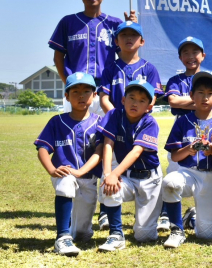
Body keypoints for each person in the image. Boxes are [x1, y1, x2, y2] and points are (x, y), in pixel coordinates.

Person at [163, 37, 212, 231]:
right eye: (186, 53)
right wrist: (199, 102)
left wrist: (196, 101)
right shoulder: (176, 79)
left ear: (203, 55)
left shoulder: (211, 77)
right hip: (186, 130)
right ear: (180, 56)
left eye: (195, 52)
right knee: (174, 176)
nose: (191, 56)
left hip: (210, 126)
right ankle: (169, 216)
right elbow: (173, 101)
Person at [161, 72, 212, 248]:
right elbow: (175, 156)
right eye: (200, 92)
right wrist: (188, 149)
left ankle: (191, 219)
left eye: (210, 93)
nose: (205, 97)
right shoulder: (182, 121)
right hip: (188, 173)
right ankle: (177, 230)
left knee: (206, 235)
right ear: (191, 95)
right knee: (170, 182)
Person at [34, 72, 102, 256]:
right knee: (66, 181)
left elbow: (100, 152)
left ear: (94, 95)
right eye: (75, 92)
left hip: (88, 179)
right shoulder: (57, 121)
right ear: (66, 96)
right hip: (64, 174)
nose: (81, 96)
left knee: (82, 234)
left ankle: (74, 230)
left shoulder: (99, 122)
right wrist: (52, 169)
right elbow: (42, 148)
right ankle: (62, 237)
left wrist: (80, 172)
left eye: (86, 91)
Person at [49, 0, 137, 115]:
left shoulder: (115, 23)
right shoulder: (68, 22)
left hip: (106, 88)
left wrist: (131, 30)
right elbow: (58, 58)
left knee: (106, 133)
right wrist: (68, 83)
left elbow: (126, 57)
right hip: (77, 88)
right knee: (76, 132)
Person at [96, 80, 163, 251]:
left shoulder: (150, 122)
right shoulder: (113, 115)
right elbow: (108, 144)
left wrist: (114, 173)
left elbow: (136, 151)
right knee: (108, 187)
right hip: (128, 176)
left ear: (149, 106)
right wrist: (108, 174)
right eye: (132, 97)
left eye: (142, 100)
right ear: (123, 100)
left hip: (150, 179)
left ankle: (168, 216)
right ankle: (116, 235)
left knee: (144, 236)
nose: (135, 103)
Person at [98, 21, 163, 113]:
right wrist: (116, 118)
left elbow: (152, 98)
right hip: (115, 121)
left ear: (142, 42)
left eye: (134, 34)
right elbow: (104, 100)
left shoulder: (149, 68)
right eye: (123, 35)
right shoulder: (110, 69)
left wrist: (138, 115)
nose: (129, 38)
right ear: (116, 41)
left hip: (141, 121)